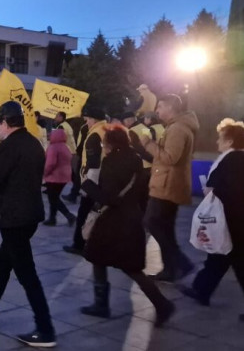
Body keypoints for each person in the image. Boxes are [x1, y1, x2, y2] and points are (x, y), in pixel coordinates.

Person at [0, 101, 56, 348]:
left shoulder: (8, 147)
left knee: (27, 274)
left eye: (0, 124)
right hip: (30, 214)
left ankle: (46, 329)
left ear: (5, 123)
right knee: (2, 264)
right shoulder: (34, 144)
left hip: (14, 217)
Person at [80, 125, 175, 326]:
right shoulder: (134, 159)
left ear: (110, 143)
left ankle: (103, 304)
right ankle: (161, 304)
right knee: (129, 266)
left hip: (113, 222)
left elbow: (110, 198)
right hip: (132, 219)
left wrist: (87, 185)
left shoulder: (111, 162)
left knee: (102, 259)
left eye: (105, 142)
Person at [179, 119, 244, 320]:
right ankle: (202, 290)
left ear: (230, 140)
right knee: (218, 257)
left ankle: (202, 290)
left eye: (220, 138)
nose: (217, 142)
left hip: (231, 221)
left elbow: (210, 188)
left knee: (238, 262)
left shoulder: (228, 160)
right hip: (236, 220)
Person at [141, 94, 199, 282]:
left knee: (152, 222)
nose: (157, 111)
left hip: (167, 185)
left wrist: (149, 145)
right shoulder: (176, 127)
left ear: (170, 108)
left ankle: (181, 263)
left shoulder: (178, 129)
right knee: (165, 227)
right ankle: (170, 269)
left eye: (160, 107)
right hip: (168, 184)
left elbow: (170, 158)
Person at [63, 106, 107, 255]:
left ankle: (79, 244)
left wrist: (88, 187)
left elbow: (94, 163)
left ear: (94, 119)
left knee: (84, 214)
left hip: (94, 181)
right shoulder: (108, 130)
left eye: (87, 119)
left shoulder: (94, 134)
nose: (86, 123)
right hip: (106, 179)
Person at [42, 128, 76, 226]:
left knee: (53, 198)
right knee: (54, 197)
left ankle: (69, 216)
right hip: (64, 176)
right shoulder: (65, 147)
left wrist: (45, 173)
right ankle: (52, 219)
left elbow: (50, 163)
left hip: (54, 177)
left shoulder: (53, 147)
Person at [121, 111, 153, 213]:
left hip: (141, 167)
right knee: (146, 196)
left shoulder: (132, 131)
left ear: (129, 120)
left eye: (125, 121)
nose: (125, 124)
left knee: (139, 197)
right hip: (150, 167)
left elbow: (138, 149)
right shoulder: (144, 128)